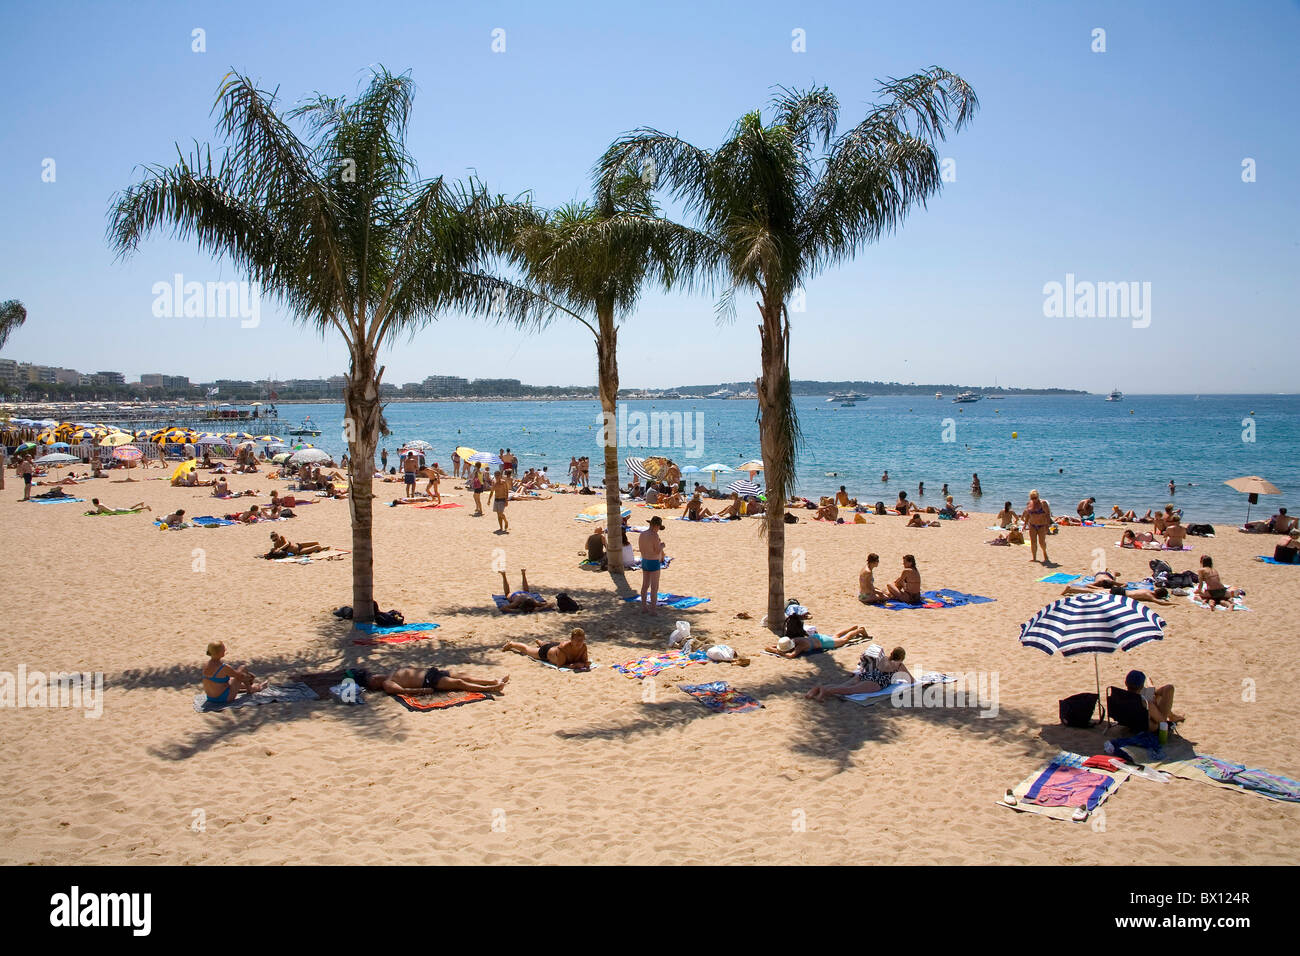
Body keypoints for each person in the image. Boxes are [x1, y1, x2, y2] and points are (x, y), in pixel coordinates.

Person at [805, 646, 911, 701]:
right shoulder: (899, 665)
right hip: (875, 682)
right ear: (901, 657)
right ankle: (823, 692)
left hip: (867, 675)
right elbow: (911, 680)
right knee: (850, 690)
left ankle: (816, 689)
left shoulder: (884, 658)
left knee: (842, 686)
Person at [345, 665, 508, 697]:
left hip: (431, 672)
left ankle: (491, 680)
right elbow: (404, 691)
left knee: (462, 675)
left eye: (372, 676)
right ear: (373, 685)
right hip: (428, 681)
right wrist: (423, 691)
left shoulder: (389, 673)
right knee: (459, 684)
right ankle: (490, 688)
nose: (374, 678)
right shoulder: (388, 684)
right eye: (371, 680)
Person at [768, 621, 868, 658]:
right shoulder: (793, 640)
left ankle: (858, 631)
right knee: (836, 636)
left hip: (824, 643)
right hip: (816, 638)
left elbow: (791, 655)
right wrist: (779, 649)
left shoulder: (800, 646)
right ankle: (852, 628)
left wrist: (780, 652)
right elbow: (767, 647)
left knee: (844, 640)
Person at [503, 627, 591, 670]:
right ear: (571, 640)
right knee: (527, 650)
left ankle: (540, 642)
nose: (580, 643)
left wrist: (585, 664)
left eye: (582, 640)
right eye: (577, 640)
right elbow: (560, 665)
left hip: (554, 647)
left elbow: (585, 661)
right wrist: (574, 666)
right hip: (546, 652)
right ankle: (512, 644)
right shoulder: (564, 648)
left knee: (550, 644)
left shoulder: (583, 647)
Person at [638, 516, 666, 614]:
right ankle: (653, 610)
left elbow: (641, 549)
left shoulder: (642, 534)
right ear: (656, 526)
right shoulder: (654, 535)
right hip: (653, 562)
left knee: (645, 585)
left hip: (644, 560)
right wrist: (662, 545)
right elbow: (657, 551)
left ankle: (644, 607)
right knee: (654, 587)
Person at [1022, 489, 1052, 563]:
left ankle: (1045, 554)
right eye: (1032, 498)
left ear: (1038, 496)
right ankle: (1034, 558)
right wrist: (1025, 525)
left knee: (1042, 542)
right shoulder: (1029, 503)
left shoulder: (1043, 503)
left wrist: (1047, 526)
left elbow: (1048, 515)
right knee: (1033, 541)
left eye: (1035, 498)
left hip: (1042, 525)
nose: (1034, 500)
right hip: (1032, 525)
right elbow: (1028, 515)